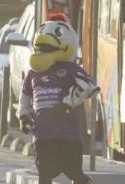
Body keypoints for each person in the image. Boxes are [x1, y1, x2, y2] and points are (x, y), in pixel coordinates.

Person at [18, 20, 99, 184]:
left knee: (74, 173)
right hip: (42, 135)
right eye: (42, 48)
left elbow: (90, 87)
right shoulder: (33, 73)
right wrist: (23, 115)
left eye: (48, 49)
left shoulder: (70, 69)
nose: (43, 50)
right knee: (44, 173)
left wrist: (69, 102)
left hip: (68, 135)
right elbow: (24, 94)